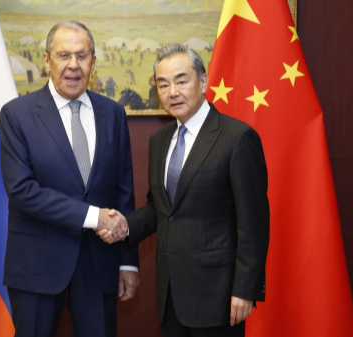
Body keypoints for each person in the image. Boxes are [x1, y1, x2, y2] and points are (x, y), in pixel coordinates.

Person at [98, 43, 269, 337]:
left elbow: (253, 223)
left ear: (202, 83)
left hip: (219, 297)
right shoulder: (159, 141)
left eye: (181, 80)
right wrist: (124, 226)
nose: (172, 92)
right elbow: (160, 208)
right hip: (171, 296)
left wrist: (245, 289)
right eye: (163, 84)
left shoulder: (237, 138)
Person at [0, 20, 139, 337]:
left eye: (82, 55)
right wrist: (94, 217)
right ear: (47, 60)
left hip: (99, 263)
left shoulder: (113, 113)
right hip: (37, 264)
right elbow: (22, 191)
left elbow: (123, 192)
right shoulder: (17, 114)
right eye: (63, 55)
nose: (73, 65)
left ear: (93, 61)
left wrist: (128, 262)